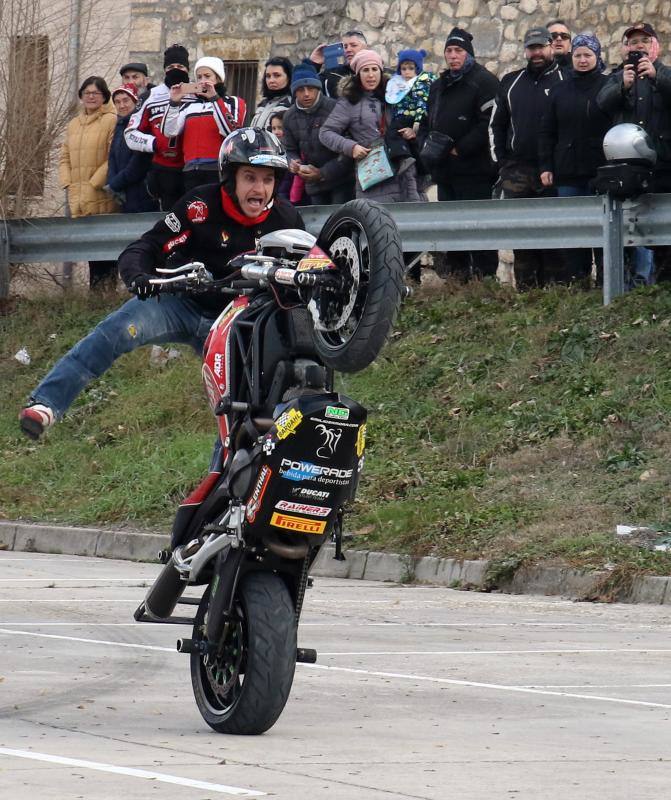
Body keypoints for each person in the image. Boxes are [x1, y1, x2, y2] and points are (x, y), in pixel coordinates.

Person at [18, 128, 304, 440]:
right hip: (178, 302)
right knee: (114, 331)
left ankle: (229, 482)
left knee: (241, 406)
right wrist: (138, 277)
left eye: (267, 178)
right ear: (230, 177)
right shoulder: (200, 206)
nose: (259, 188)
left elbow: (305, 272)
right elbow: (145, 247)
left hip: (235, 322)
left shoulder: (286, 218)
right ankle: (46, 404)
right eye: (250, 177)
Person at [417, 29, 499, 280]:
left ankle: (484, 282)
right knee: (451, 230)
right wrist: (427, 147)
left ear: (468, 53)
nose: (453, 56)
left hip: (475, 171)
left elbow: (489, 123)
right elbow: (426, 121)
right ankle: (457, 283)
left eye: (458, 51)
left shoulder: (484, 81)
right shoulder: (438, 85)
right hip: (445, 172)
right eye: (449, 51)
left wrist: (459, 148)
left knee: (478, 229)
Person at [489, 26, 565, 289]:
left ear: (551, 47)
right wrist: (501, 160)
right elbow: (496, 124)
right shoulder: (510, 81)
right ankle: (527, 292)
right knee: (522, 235)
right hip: (517, 170)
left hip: (554, 169)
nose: (536, 53)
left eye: (541, 47)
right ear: (525, 50)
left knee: (554, 233)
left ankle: (557, 292)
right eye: (531, 48)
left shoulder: (564, 78)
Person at [597, 22, 671, 280]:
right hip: (626, 169)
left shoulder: (664, 73)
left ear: (655, 47)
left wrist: (656, 78)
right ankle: (628, 287)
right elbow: (600, 105)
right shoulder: (617, 77)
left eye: (645, 41)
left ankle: (661, 284)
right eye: (633, 42)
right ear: (625, 48)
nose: (639, 46)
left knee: (664, 235)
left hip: (663, 166)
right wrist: (623, 87)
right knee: (628, 230)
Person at [538, 34, 610, 284]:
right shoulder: (559, 90)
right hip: (567, 171)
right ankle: (578, 282)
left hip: (601, 170)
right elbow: (547, 131)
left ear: (597, 57)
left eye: (587, 55)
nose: (582, 60)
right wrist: (546, 165)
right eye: (578, 55)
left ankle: (606, 282)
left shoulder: (608, 85)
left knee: (604, 231)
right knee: (574, 231)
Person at [319, 49, 424, 202]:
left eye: (374, 69)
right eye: (365, 70)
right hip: (374, 174)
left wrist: (412, 131)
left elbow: (419, 117)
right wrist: (351, 147)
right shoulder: (349, 102)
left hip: (405, 171)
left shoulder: (397, 94)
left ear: (381, 71)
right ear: (358, 74)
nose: (370, 75)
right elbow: (326, 133)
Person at [59, 75, 119, 290]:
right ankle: (95, 296)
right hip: (79, 193)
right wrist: (68, 182)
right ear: (81, 96)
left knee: (107, 250)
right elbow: (64, 156)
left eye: (96, 93)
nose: (91, 97)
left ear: (104, 97)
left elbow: (113, 157)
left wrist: (94, 183)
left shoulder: (112, 119)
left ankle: (108, 294)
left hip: (101, 191)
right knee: (90, 249)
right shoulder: (74, 124)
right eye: (87, 93)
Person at [162, 56, 246, 192]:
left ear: (218, 78)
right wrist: (173, 103)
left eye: (207, 76)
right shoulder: (188, 106)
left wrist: (214, 98)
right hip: (191, 170)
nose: (202, 81)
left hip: (218, 169)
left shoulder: (233, 102)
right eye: (199, 77)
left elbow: (230, 132)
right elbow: (169, 132)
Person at [125, 44, 191, 211]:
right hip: (163, 170)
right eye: (171, 67)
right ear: (164, 69)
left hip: (192, 169)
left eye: (180, 66)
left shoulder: (198, 94)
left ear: (188, 69)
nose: (176, 70)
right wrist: (153, 143)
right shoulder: (150, 96)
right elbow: (130, 134)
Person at [282, 62, 355, 205]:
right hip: (313, 185)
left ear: (318, 88)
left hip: (341, 181)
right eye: (301, 89)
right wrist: (293, 162)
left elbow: (348, 149)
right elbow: (289, 149)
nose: (306, 93)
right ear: (294, 92)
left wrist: (322, 173)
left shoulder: (335, 108)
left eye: (310, 88)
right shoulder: (289, 116)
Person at [106, 83, 159, 213]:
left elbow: (139, 163)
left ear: (135, 102)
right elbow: (112, 157)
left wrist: (115, 184)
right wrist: (111, 182)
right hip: (124, 193)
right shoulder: (119, 125)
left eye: (126, 100)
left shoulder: (143, 126)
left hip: (142, 193)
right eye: (117, 102)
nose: (122, 105)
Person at [385, 48, 436, 169]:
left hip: (416, 118)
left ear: (417, 68)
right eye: (403, 68)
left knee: (413, 140)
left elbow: (422, 103)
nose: (407, 72)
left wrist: (417, 125)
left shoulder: (421, 83)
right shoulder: (396, 82)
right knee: (393, 134)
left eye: (411, 68)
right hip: (400, 118)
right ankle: (404, 158)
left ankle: (420, 165)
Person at [307, 30, 368, 98]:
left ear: (365, 48)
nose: (348, 50)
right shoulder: (331, 74)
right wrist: (313, 64)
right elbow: (304, 89)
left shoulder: (376, 72)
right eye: (345, 47)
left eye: (353, 45)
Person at [250, 57, 292, 130]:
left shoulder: (292, 104)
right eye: (268, 76)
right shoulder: (262, 105)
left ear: (288, 77)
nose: (271, 80)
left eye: (277, 75)